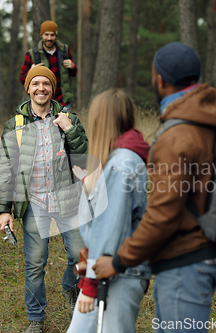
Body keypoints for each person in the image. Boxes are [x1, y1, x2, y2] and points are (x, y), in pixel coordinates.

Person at [93, 42, 216, 333]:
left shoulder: (177, 136)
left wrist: (120, 261)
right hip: (203, 256)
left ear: (160, 79)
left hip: (184, 264)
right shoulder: (208, 122)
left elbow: (163, 214)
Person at [0, 65, 87, 333]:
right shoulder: (16, 125)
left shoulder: (68, 117)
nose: (41, 88)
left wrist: (69, 129)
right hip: (34, 204)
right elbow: (6, 169)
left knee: (79, 257)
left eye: (46, 83)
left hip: (68, 199)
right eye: (35, 83)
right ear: (28, 89)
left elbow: (83, 156)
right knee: (35, 263)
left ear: (53, 88)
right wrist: (4, 210)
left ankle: (71, 288)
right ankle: (36, 318)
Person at [66, 89, 151, 333]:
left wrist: (90, 286)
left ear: (100, 120)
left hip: (115, 275)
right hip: (109, 272)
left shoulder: (121, 164)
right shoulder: (118, 160)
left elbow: (109, 229)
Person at [19, 20, 76, 110]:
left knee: (65, 124)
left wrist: (72, 66)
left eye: (52, 35)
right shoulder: (32, 54)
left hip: (63, 102)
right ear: (41, 35)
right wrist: (30, 72)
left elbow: (73, 74)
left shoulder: (64, 50)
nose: (49, 38)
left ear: (56, 36)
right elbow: (22, 79)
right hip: (42, 103)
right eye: (46, 34)